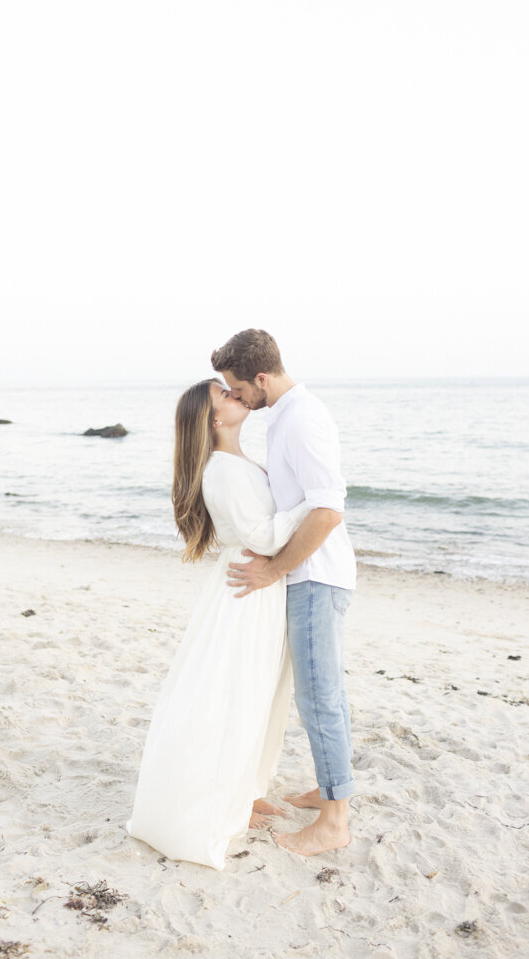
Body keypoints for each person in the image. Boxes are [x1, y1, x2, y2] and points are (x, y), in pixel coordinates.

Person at [126, 378, 309, 869]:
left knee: (255, 693)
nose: (235, 396)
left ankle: (244, 793)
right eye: (223, 395)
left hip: (256, 588)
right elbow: (261, 535)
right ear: (214, 419)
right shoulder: (222, 470)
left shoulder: (239, 462)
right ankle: (219, 799)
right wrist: (315, 507)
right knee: (233, 693)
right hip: (246, 591)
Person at [211, 329, 357, 857]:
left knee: (318, 698)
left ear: (262, 378)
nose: (237, 396)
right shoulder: (286, 418)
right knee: (321, 693)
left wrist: (274, 569)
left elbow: (327, 509)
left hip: (316, 576)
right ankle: (328, 790)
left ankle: (334, 822)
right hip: (311, 575)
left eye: (238, 387)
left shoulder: (301, 420)